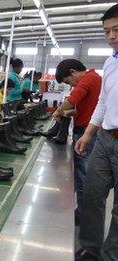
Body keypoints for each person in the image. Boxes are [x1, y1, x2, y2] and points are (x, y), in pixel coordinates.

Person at [75, 4, 118, 260]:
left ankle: (111, 255)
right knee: (91, 195)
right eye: (107, 31)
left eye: (117, 30)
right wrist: (88, 134)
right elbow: (103, 102)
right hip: (104, 138)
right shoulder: (110, 62)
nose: (111, 36)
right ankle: (90, 248)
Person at [53, 59, 101, 227]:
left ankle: (83, 216)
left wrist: (58, 112)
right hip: (86, 130)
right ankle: (83, 213)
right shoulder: (94, 78)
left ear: (73, 72)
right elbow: (89, 105)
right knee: (82, 175)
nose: (70, 85)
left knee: (83, 177)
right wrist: (73, 113)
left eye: (68, 81)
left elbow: (73, 98)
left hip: (87, 134)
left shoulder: (89, 78)